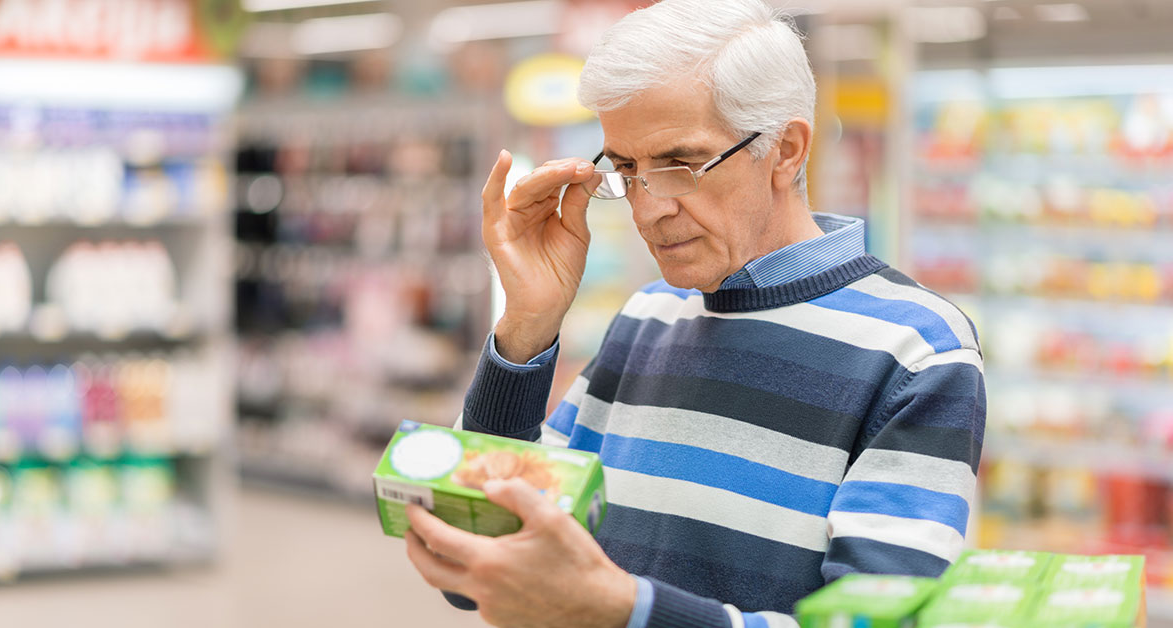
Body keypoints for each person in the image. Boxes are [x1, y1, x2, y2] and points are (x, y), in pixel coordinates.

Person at [402, 1, 985, 627]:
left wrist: (623, 612)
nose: (649, 210)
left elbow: (876, 622)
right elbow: (487, 554)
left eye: (679, 165)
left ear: (786, 150)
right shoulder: (650, 315)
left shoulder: (918, 351)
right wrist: (526, 326)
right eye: (626, 169)